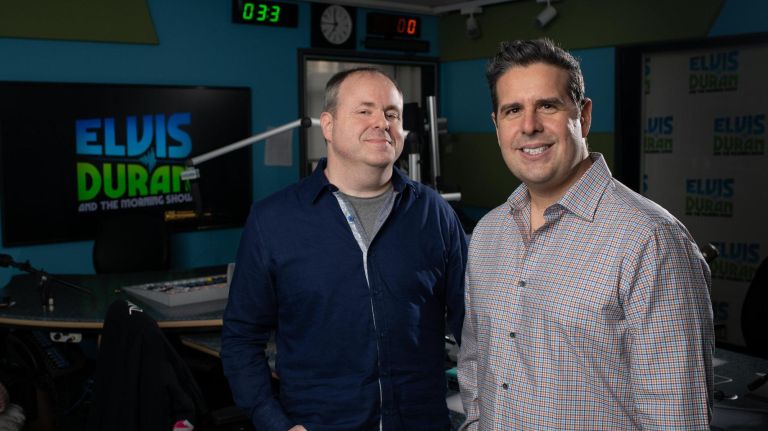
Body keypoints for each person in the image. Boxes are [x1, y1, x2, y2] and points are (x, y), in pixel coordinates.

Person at [457, 39, 714, 430]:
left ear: (584, 115)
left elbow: (676, 419)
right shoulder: (489, 234)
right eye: (513, 110)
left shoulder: (650, 240)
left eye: (548, 105)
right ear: (497, 126)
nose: (529, 126)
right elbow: (476, 363)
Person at [221, 67, 467, 431]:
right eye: (364, 111)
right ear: (329, 126)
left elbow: (474, 327)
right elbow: (241, 337)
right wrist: (273, 422)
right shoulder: (273, 220)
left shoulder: (435, 213)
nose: (381, 123)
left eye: (392, 114)